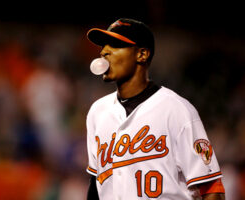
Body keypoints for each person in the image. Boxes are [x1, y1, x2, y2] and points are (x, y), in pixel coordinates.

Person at [85, 18, 225, 200]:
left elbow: (212, 188)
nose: (104, 52)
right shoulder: (98, 111)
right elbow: (95, 184)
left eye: (115, 45)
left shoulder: (176, 110)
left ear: (142, 54)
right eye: (103, 46)